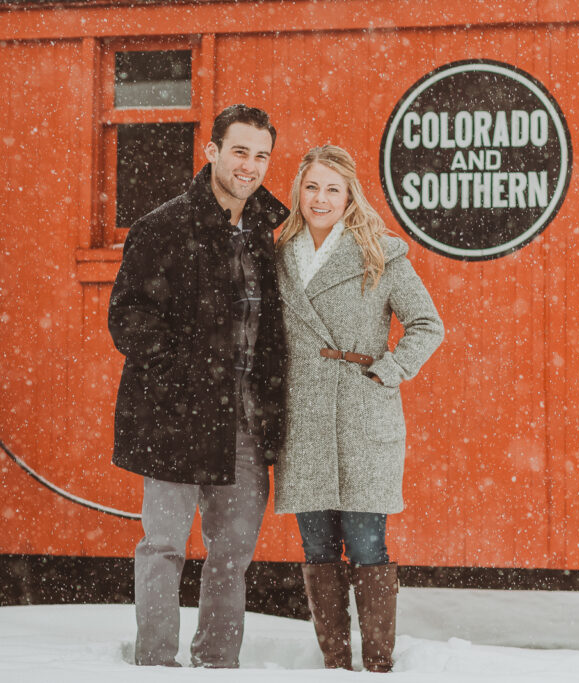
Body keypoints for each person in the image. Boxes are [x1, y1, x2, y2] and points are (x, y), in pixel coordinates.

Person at [108, 104, 289, 668]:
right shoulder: (162, 227)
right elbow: (129, 317)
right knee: (162, 547)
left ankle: (217, 664)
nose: (250, 165)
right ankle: (156, 664)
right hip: (174, 416)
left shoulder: (265, 233)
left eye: (261, 155)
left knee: (232, 555)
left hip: (245, 421)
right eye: (239, 151)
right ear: (211, 151)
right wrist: (180, 380)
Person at [274, 145, 444, 672]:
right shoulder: (277, 254)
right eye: (311, 187)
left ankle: (377, 663)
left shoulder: (381, 254)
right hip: (301, 417)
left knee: (368, 543)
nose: (320, 198)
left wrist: (387, 371)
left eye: (332, 188)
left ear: (349, 197)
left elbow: (427, 325)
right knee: (317, 545)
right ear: (298, 192)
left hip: (363, 415)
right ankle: (335, 661)